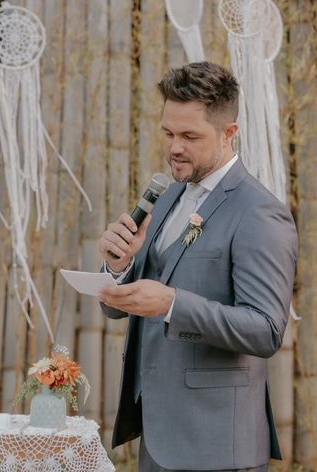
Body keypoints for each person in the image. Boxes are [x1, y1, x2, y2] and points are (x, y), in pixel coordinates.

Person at [98, 62, 297, 471]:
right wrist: (120, 268)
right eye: (168, 133)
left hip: (219, 445)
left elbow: (265, 331)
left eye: (190, 136)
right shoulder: (169, 196)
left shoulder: (259, 213)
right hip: (156, 434)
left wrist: (172, 304)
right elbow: (122, 304)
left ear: (229, 133)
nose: (174, 147)